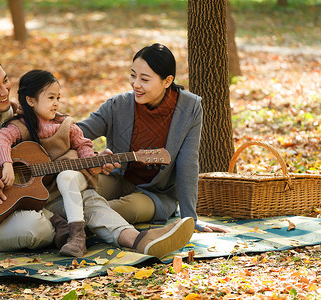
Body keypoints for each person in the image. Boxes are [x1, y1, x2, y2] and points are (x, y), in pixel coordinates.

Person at [0, 50, 196, 258]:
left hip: (29, 200)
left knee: (83, 197)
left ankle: (138, 240)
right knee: (40, 229)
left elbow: (62, 130)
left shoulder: (18, 110)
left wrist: (88, 158)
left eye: (6, 81)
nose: (5, 91)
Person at [78, 43, 228, 233]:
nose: (136, 84)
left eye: (145, 79)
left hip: (155, 194)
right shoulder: (118, 105)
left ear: (167, 81)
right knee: (75, 186)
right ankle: (68, 219)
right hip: (118, 179)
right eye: (133, 75)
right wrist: (92, 154)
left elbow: (188, 163)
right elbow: (77, 133)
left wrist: (190, 218)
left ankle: (68, 221)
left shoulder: (189, 108)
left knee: (124, 209)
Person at [0, 69, 97, 257]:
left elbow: (83, 145)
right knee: (27, 194)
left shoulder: (65, 124)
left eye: (58, 98)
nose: (56, 103)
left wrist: (93, 161)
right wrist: (7, 163)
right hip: (37, 191)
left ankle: (77, 237)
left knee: (64, 182)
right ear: (30, 101)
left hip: (60, 184)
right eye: (50, 98)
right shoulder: (21, 125)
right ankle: (60, 225)